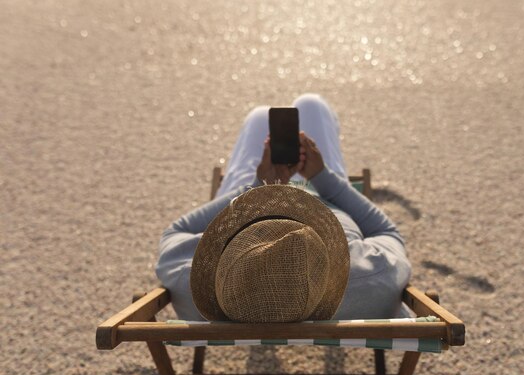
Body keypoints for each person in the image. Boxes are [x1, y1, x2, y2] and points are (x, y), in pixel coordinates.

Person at [155, 94, 411, 322]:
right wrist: (323, 177)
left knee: (259, 116)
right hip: (321, 191)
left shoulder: (191, 281)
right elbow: (386, 232)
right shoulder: (370, 277)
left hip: (250, 201)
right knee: (312, 103)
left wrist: (258, 185)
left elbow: (174, 232)